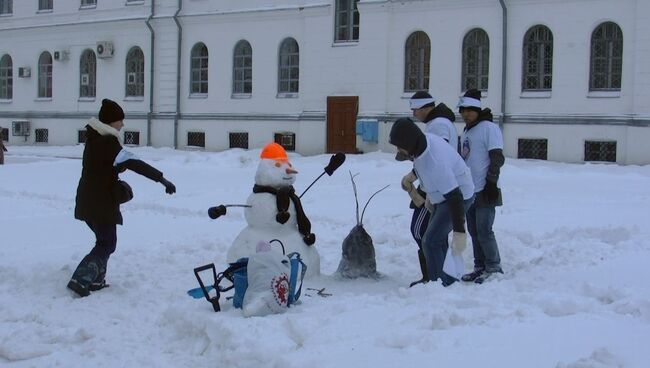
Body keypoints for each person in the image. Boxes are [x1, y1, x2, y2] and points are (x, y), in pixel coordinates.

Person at [67, 99, 177, 297]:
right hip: (101, 202)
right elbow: (134, 163)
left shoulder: (94, 138)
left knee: (104, 241)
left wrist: (116, 167)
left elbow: (104, 165)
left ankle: (97, 279)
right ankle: (81, 278)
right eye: (120, 121)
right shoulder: (108, 142)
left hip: (88, 199)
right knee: (107, 243)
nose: (122, 125)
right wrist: (161, 179)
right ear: (111, 122)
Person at [390, 117, 474, 287]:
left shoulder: (435, 162)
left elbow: (455, 197)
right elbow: (421, 165)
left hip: (458, 197)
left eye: (399, 146)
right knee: (437, 239)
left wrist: (459, 232)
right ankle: (448, 281)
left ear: (409, 143)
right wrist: (413, 179)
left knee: (431, 240)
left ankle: (438, 286)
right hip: (442, 196)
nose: (398, 150)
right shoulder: (423, 143)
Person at [400, 92, 459, 287]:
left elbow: (434, 156)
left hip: (435, 187)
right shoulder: (438, 123)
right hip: (434, 184)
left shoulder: (438, 125)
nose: (414, 114)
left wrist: (413, 176)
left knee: (420, 231)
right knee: (432, 235)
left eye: (415, 110)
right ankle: (440, 276)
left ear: (426, 108)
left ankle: (433, 277)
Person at [457, 89, 505, 284]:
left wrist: (491, 182)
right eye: (463, 110)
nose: (466, 114)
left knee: (485, 230)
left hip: (485, 189)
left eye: (469, 110)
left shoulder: (488, 128)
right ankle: (479, 266)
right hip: (469, 190)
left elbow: (496, 157)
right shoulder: (467, 130)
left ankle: (493, 267)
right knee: (474, 231)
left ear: (477, 109)